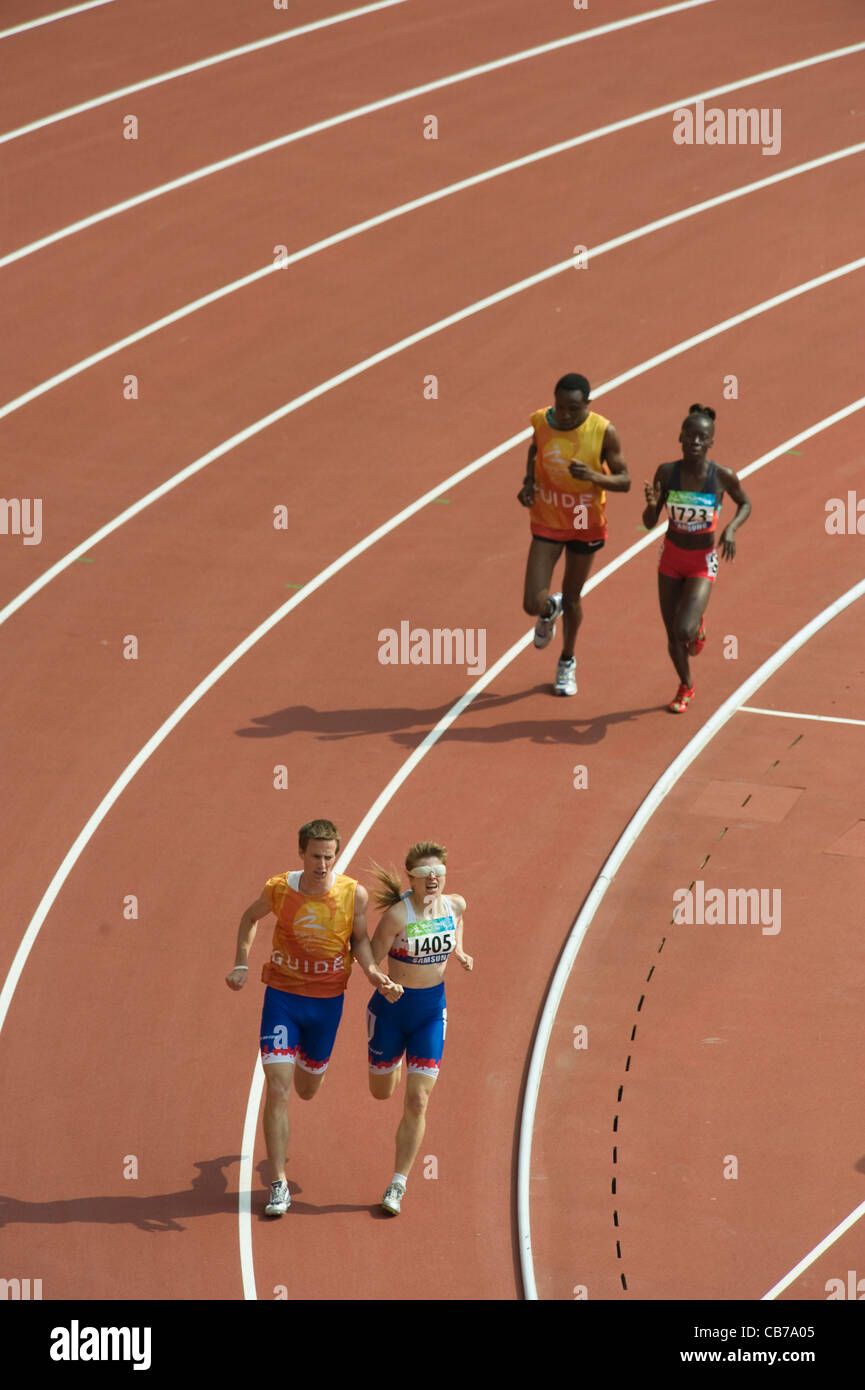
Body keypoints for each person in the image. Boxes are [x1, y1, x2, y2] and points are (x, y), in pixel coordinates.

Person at [226, 818, 403, 1217]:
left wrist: (374, 974)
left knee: (307, 1088)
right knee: (280, 1088)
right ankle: (278, 1185)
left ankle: (279, 1167)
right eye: (315, 856)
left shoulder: (352, 894)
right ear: (301, 853)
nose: (322, 864)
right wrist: (240, 963)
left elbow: (359, 940)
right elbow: (248, 917)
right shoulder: (279, 889)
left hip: (326, 1003)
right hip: (283, 998)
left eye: (329, 856)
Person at [366, 842, 472, 1215]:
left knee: (417, 1100)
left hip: (430, 1012)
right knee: (381, 1092)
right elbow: (369, 959)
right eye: (425, 875)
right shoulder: (398, 915)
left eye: (438, 874)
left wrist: (458, 950)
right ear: (410, 878)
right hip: (392, 1012)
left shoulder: (454, 904)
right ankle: (392, 1062)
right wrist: (381, 981)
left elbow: (459, 919)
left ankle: (398, 1184)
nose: (433, 880)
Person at [517, 372, 631, 695]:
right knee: (530, 602)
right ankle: (549, 611)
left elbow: (625, 481)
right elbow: (534, 451)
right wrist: (528, 483)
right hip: (549, 515)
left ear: (588, 405)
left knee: (572, 594)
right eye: (561, 407)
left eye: (573, 409)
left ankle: (567, 660)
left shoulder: (603, 431)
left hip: (583, 516)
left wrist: (594, 475)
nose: (565, 415)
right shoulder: (542, 421)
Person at [642, 404, 751, 712]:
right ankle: (686, 685)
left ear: (711, 442)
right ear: (680, 436)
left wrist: (730, 529)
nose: (695, 441)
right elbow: (650, 522)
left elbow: (746, 504)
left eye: (702, 437)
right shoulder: (666, 472)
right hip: (671, 558)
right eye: (690, 435)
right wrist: (652, 506)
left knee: (685, 630)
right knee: (672, 635)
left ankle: (697, 627)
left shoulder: (722, 477)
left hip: (702, 560)